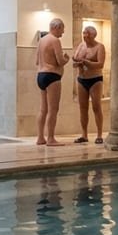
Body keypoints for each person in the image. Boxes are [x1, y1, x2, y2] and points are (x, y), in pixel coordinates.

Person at [35, 18, 70, 146]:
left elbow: (37, 61)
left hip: (40, 75)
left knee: (43, 109)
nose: (63, 32)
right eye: (62, 29)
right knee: (53, 109)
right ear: (57, 27)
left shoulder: (41, 40)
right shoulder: (55, 40)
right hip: (52, 76)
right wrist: (66, 59)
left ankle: (40, 138)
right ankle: (50, 138)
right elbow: (60, 61)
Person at [70, 25, 107, 144]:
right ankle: (84, 135)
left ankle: (99, 134)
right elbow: (76, 57)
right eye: (84, 33)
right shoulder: (81, 45)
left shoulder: (99, 47)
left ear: (93, 35)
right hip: (82, 79)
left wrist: (88, 62)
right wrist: (76, 61)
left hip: (95, 79)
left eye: (86, 34)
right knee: (83, 107)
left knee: (96, 106)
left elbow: (100, 64)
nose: (84, 36)